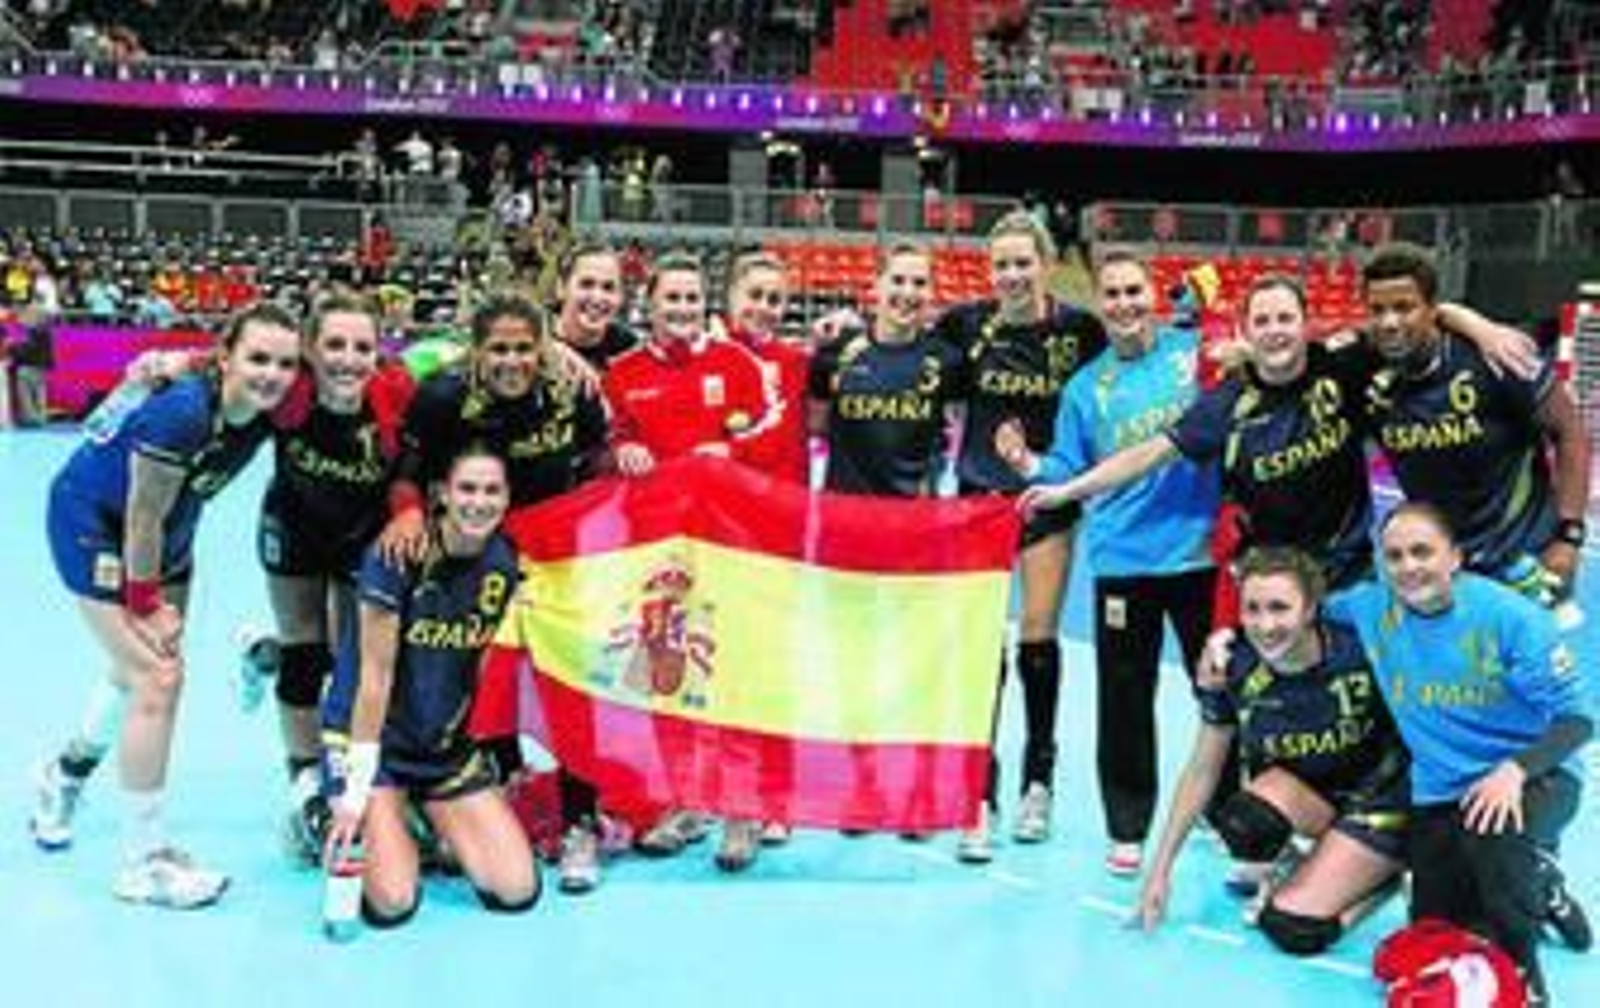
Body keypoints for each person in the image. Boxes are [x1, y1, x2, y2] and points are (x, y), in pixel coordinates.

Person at [1020, 273, 1540, 594]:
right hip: (1277, 580)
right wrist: (1068, 489)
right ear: (1246, 330)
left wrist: (1479, 326)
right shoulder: (1228, 402)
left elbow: (1415, 315)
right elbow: (1150, 453)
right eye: (1262, 320)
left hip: (1354, 574)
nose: (1275, 329)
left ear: (1305, 322)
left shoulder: (1341, 361)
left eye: (1285, 318)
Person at [31, 303, 302, 908]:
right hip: (95, 525)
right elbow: (141, 514)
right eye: (258, 358)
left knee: (136, 674)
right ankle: (140, 861)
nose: (272, 374)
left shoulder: (267, 409)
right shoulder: (183, 410)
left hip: (171, 532)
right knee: (158, 675)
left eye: (285, 363)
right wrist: (146, 602)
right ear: (226, 355)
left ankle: (64, 775)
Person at [1001, 249, 1222, 876]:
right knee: (1125, 697)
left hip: (1201, 555)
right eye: (1113, 295)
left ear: (1152, 294)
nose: (1124, 305)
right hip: (1124, 560)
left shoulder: (1192, 353)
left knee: (1223, 688)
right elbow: (1067, 470)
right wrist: (1028, 467)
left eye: (1134, 292)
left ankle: (1225, 810)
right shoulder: (1084, 389)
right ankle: (1127, 826)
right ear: (1100, 304)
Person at [1325, 502, 1592, 1004]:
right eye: (1395, 556)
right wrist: (1226, 637)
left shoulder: (1512, 618)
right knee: (1439, 927)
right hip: (1441, 789)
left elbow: (1578, 719)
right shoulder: (1369, 607)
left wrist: (1514, 771)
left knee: (1491, 835)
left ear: (1456, 557)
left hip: (1538, 773)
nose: (1408, 567)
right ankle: (1544, 887)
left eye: (1422, 551)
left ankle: (1525, 978)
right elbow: (1294, 611)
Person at [928, 209, 1107, 861]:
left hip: (1048, 503)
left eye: (1021, 262)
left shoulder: (1078, 331)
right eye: (1000, 263)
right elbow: (913, 356)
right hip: (978, 504)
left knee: (1037, 639)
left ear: (1044, 262)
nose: (1011, 275)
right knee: (981, 646)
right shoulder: (964, 325)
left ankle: (1039, 780)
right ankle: (980, 788)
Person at [1136, 547, 1408, 957]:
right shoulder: (1233, 670)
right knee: (1243, 821)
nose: (1265, 625)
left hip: (1382, 800)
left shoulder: (1362, 651)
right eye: (1253, 609)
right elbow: (1202, 770)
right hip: (1315, 802)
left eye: (1280, 608)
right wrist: (1160, 870)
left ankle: (1385, 877)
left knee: (1290, 928)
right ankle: (1339, 863)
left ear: (1311, 608)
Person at [602, 251, 782, 860]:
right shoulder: (622, 373)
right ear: (648, 305)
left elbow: (772, 441)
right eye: (669, 298)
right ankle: (682, 800)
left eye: (690, 298)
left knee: (733, 676)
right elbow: (613, 438)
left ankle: (742, 809)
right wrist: (623, 446)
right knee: (668, 676)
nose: (681, 309)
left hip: (731, 549)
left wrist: (727, 455)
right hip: (657, 555)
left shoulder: (740, 365)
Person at [322, 447, 539, 928]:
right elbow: (374, 680)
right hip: (373, 746)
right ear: (441, 493)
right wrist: (356, 790)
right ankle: (327, 811)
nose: (478, 503)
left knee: (515, 889)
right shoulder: (397, 556)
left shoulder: (505, 564)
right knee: (393, 902)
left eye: (491, 491)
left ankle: (419, 820)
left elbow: (486, 669)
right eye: (467, 489)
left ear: (507, 499)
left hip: (443, 752)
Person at [1360, 242, 1591, 600]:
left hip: (1528, 564)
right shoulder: (1366, 376)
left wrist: (1569, 537)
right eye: (1377, 310)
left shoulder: (1499, 357)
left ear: (1433, 309)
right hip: (1445, 573)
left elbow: (1570, 431)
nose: (1389, 322)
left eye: (1404, 307)